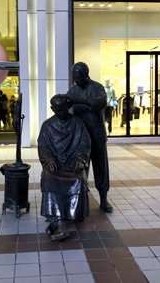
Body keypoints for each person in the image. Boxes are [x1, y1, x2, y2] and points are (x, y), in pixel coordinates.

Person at [38, 94, 91, 241]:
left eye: (63, 108)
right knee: (50, 177)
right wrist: (48, 159)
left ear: (68, 107)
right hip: (56, 165)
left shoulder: (77, 123)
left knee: (79, 178)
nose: (61, 112)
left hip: (72, 164)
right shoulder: (47, 125)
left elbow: (85, 143)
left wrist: (80, 158)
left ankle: (68, 216)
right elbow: (43, 146)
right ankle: (59, 220)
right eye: (57, 109)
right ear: (52, 109)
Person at [66, 62, 113, 213]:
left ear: (86, 75)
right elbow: (66, 103)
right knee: (80, 167)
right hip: (80, 135)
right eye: (74, 78)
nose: (76, 81)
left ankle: (104, 198)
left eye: (78, 78)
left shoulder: (97, 87)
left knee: (100, 166)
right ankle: (80, 199)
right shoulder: (73, 89)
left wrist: (80, 100)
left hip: (97, 133)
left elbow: (101, 102)